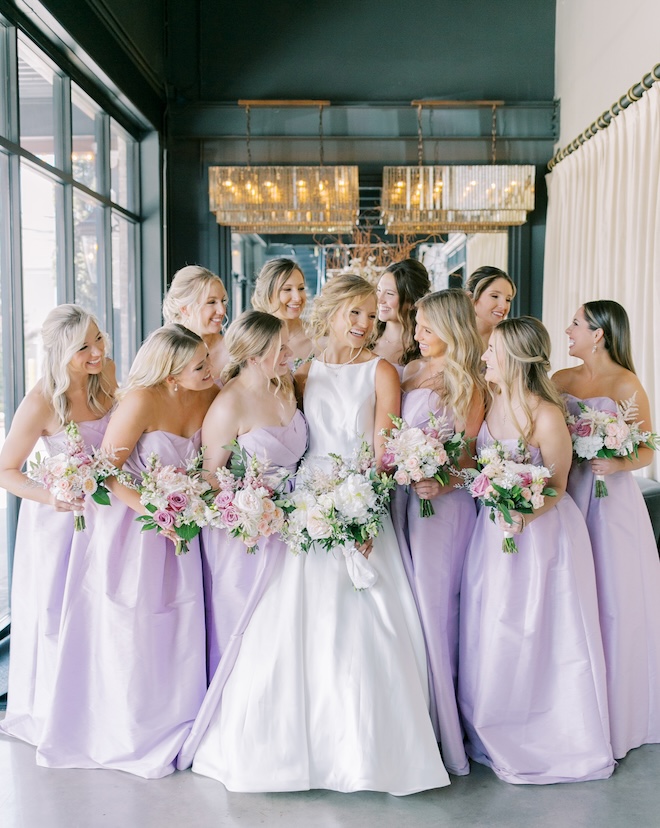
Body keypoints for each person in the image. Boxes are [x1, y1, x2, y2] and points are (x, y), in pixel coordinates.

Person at [180, 273, 450, 795]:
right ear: (332, 312)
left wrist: (364, 513)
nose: (364, 324)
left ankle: (368, 751)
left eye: (372, 316)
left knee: (371, 625)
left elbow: (381, 450)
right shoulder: (302, 372)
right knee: (291, 624)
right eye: (355, 313)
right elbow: (286, 438)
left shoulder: (382, 372)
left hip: (360, 499)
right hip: (304, 505)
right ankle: (287, 745)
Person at [36, 324, 218, 778]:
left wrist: (190, 505)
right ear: (172, 374)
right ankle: (125, 726)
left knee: (180, 621)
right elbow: (106, 473)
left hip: (182, 524)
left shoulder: (208, 393)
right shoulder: (140, 400)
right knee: (132, 624)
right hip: (131, 526)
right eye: (199, 365)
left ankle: (177, 717)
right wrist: (156, 510)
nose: (210, 370)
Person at [458, 316, 614, 784]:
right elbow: (474, 459)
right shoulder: (491, 401)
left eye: (492, 352)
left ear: (514, 359)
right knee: (494, 625)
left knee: (539, 629)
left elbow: (560, 484)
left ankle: (549, 731)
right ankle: (494, 722)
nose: (484, 356)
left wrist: (523, 513)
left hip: (542, 535)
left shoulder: (546, 412)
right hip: (494, 533)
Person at [0, 305, 116, 747]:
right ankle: (56, 710)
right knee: (58, 616)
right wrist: (53, 495)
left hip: (108, 516)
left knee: (100, 614)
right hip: (59, 524)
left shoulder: (107, 379)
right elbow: (6, 469)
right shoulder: (42, 401)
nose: (96, 352)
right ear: (59, 351)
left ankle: (99, 705)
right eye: (83, 347)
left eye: (99, 339)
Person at [553, 300, 660, 760]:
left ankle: (620, 711)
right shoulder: (560, 381)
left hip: (613, 504)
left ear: (598, 333)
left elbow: (647, 450)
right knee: (573, 596)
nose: (568, 329)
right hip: (571, 494)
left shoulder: (626, 383)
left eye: (575, 323)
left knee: (614, 599)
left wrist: (617, 459)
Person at [391, 289, 485, 776]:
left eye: (427, 328)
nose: (418, 336)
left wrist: (439, 479)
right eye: (417, 327)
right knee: (406, 606)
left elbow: (469, 454)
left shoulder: (469, 382)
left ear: (452, 329)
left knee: (436, 607)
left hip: (444, 508)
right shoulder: (407, 372)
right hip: (403, 501)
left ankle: (445, 728)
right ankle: (412, 719)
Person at [199, 311, 308, 680]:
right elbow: (210, 479)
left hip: (298, 525)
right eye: (280, 348)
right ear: (253, 357)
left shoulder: (285, 383)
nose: (289, 352)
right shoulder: (229, 405)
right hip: (247, 536)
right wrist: (252, 510)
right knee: (249, 628)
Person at [162, 264, 230, 382]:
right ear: (185, 309)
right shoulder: (163, 352)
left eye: (222, 301)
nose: (222, 310)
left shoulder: (232, 352)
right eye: (211, 302)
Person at [373, 258, 431, 373]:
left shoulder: (424, 347)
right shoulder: (365, 339)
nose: (379, 300)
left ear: (411, 302)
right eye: (379, 290)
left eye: (389, 293)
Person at [251, 257, 314, 363]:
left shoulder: (319, 339)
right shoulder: (251, 340)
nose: (298, 298)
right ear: (268, 295)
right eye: (287, 289)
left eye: (301, 288)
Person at [465, 265, 516, 351]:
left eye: (508, 299)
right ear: (470, 297)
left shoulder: (510, 341)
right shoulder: (452, 338)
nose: (504, 306)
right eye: (495, 296)